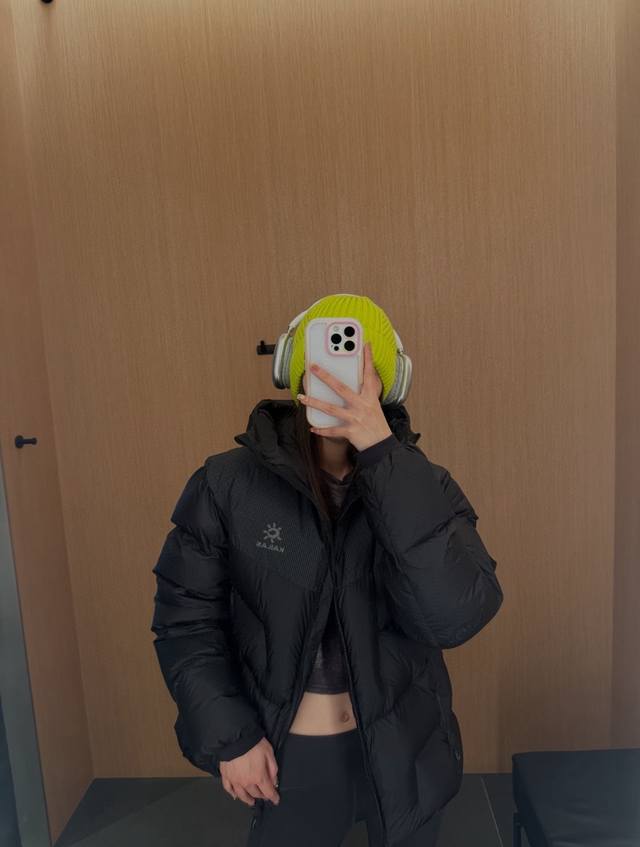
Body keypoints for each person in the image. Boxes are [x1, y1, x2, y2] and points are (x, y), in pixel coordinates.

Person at [150, 294, 504, 847]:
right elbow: (186, 622)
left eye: (359, 370)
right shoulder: (226, 485)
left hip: (404, 745)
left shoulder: (424, 486)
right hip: (289, 755)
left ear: (390, 384)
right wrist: (231, 737)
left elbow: (454, 617)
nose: (341, 383)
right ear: (293, 374)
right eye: (326, 363)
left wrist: (383, 457)